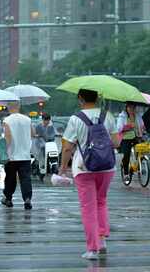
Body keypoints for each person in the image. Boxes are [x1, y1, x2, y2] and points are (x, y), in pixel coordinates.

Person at [60, 89, 119, 260]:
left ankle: (92, 249)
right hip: (107, 167)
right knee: (101, 202)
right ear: (97, 97)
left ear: (80, 99)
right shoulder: (107, 116)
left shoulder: (75, 119)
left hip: (84, 168)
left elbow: (67, 147)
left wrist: (63, 167)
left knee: (88, 208)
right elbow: (115, 143)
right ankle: (102, 241)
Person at [1, 103, 33, 210]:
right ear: (18, 107)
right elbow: (33, 133)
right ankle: (27, 199)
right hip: (25, 155)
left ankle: (8, 198)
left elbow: (8, 137)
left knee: (10, 178)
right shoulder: (27, 119)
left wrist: (4, 150)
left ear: (9, 108)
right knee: (26, 178)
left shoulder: (7, 120)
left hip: (11, 156)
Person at [116, 102, 144, 177]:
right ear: (126, 108)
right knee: (127, 154)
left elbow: (142, 125)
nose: (131, 109)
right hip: (125, 138)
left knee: (141, 151)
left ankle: (136, 167)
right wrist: (129, 126)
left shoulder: (137, 116)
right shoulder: (122, 116)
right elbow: (118, 128)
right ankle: (126, 173)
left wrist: (143, 128)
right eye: (130, 107)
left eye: (133, 107)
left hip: (136, 137)